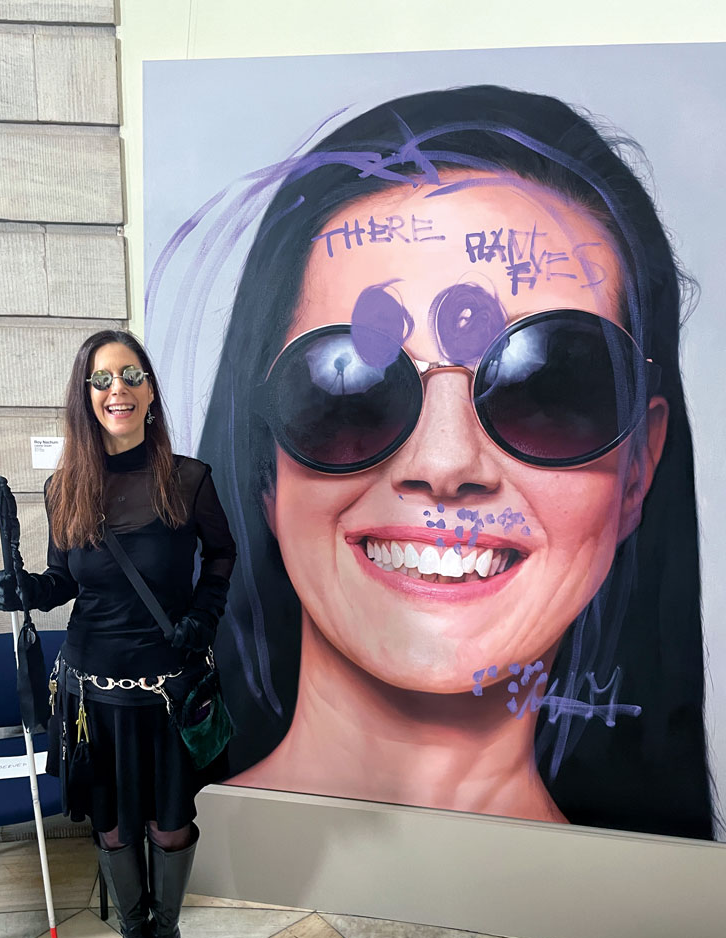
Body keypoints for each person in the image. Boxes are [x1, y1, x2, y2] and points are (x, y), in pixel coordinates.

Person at [172, 85, 714, 838]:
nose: (445, 461)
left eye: (548, 383)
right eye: (351, 387)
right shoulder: (173, 856)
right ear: (265, 464)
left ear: (638, 470)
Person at [0, 329, 236, 938]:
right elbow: (63, 580)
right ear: (86, 397)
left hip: (164, 692)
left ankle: (167, 937)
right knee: (116, 828)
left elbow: (222, 555)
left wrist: (203, 617)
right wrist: (22, 589)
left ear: (150, 392)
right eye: (101, 380)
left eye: (130, 375)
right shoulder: (66, 487)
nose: (116, 389)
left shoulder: (187, 480)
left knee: (168, 824)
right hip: (92, 694)